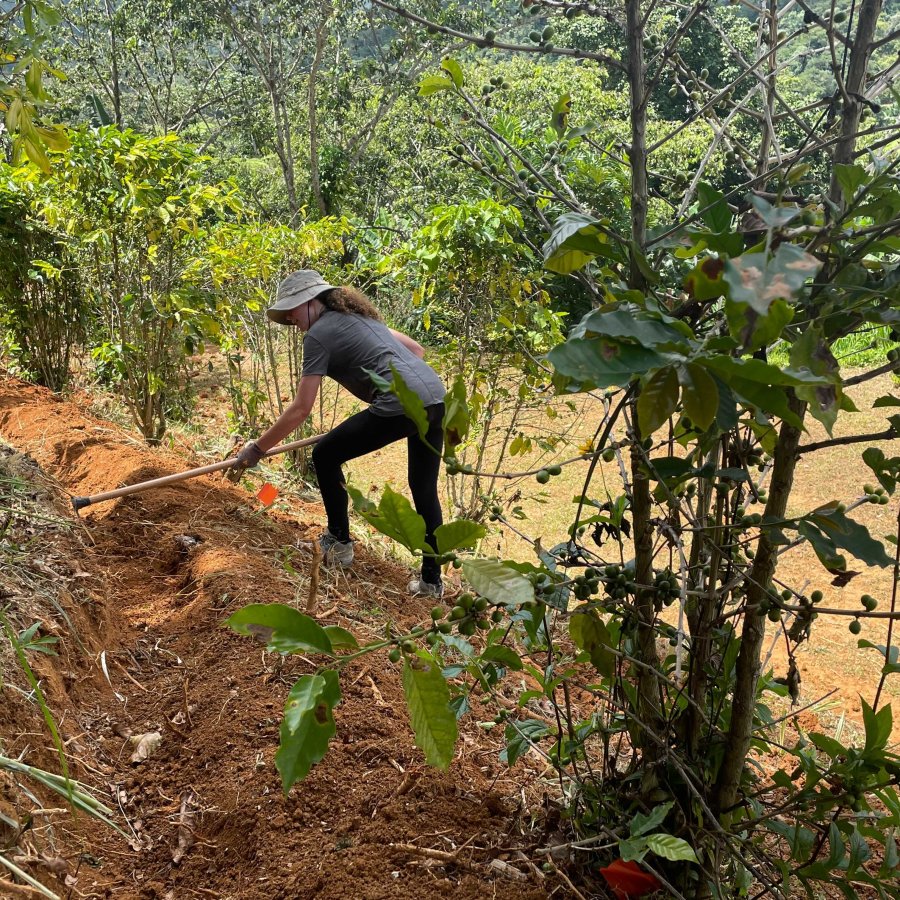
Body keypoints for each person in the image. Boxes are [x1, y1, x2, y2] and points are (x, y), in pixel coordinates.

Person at [228, 269, 447, 598]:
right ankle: (431, 582)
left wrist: (257, 449)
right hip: (435, 397)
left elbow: (301, 408)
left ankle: (339, 543)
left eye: (294, 307)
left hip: (398, 405)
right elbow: (416, 351)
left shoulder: (318, 335)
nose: (290, 317)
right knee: (424, 487)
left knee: (325, 454)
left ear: (314, 301)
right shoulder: (364, 319)